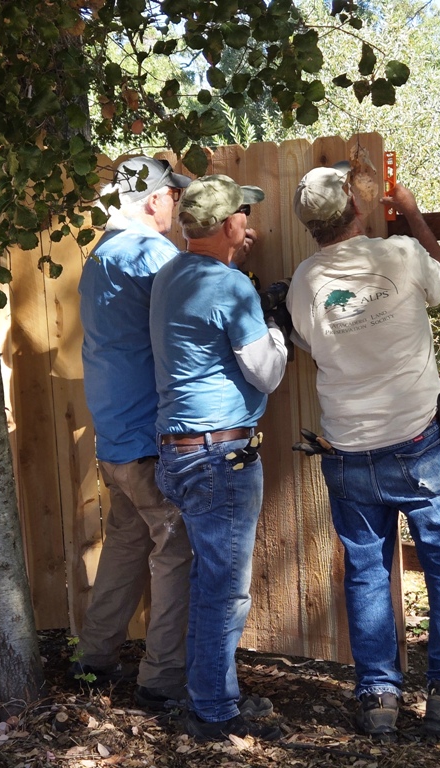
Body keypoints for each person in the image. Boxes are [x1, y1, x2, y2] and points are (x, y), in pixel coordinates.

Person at [286, 163, 440, 741]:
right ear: (357, 205)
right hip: (418, 441)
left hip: (349, 448)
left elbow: (308, 342)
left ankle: (379, 698)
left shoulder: (305, 280)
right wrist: (409, 208)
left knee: (367, 572)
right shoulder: (401, 254)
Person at [150, 174, 289, 742]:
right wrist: (275, 324)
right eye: (242, 216)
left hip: (179, 453)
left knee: (207, 580)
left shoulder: (171, 275)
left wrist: (233, 268)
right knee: (223, 589)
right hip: (220, 456)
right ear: (230, 224)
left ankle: (208, 693)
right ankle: (212, 709)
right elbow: (268, 372)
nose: (248, 223)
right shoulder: (230, 289)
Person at [74, 155, 195, 714]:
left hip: (115, 435)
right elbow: (196, 317)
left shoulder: (100, 255)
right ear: (153, 200)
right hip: (152, 437)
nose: (178, 205)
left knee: (126, 544)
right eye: (172, 196)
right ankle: (163, 678)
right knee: (175, 549)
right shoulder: (152, 253)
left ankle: (95, 658)